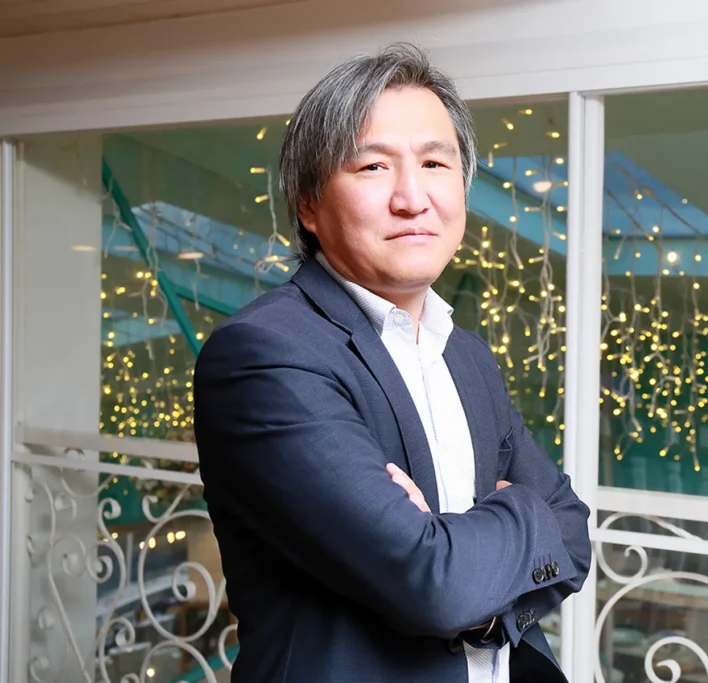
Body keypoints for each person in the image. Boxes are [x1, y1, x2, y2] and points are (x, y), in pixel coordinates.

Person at [192, 42, 592, 683]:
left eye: (435, 163)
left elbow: (573, 533)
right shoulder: (265, 354)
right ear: (308, 204)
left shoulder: (464, 352)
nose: (412, 197)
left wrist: (478, 594)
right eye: (374, 167)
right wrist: (522, 513)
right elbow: (436, 583)